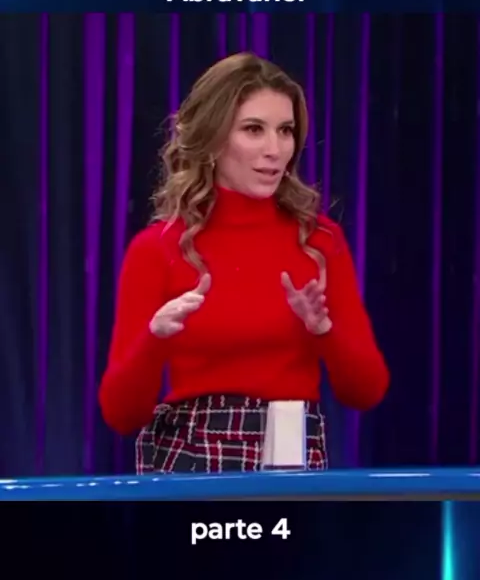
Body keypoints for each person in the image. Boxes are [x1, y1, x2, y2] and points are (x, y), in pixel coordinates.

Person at [99, 52, 390, 473]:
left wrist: (324, 331)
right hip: (191, 463)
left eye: (285, 130)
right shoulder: (156, 249)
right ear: (213, 138)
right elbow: (121, 415)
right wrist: (154, 337)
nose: (275, 150)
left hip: (293, 459)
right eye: (254, 129)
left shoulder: (319, 242)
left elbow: (367, 391)